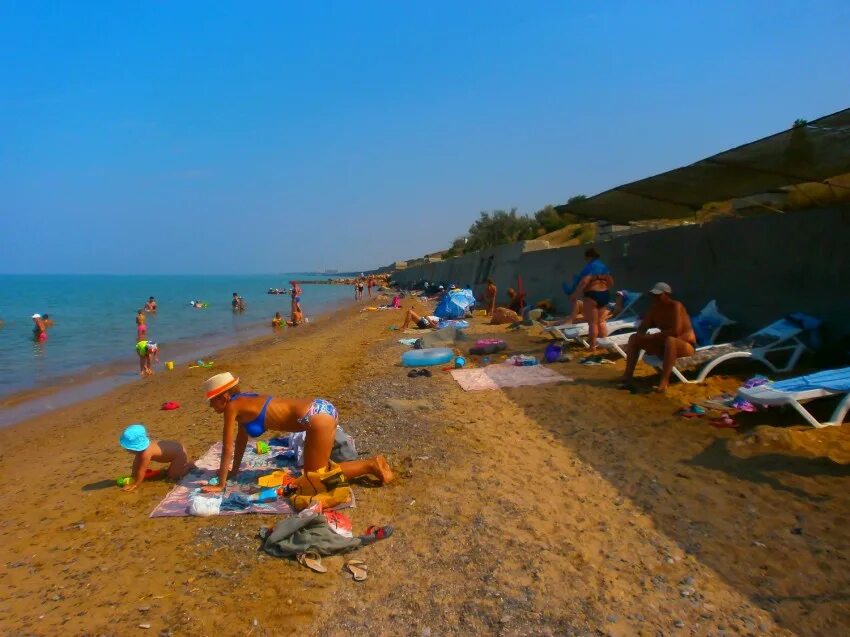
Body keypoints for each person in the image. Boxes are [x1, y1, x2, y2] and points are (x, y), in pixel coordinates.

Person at [200, 372, 394, 494]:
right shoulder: (245, 401)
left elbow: (227, 448)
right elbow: (239, 442)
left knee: (312, 482)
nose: (210, 406)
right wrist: (234, 471)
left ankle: (370, 465)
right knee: (316, 470)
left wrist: (221, 484)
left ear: (224, 397)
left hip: (314, 418)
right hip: (319, 409)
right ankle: (363, 465)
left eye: (212, 401)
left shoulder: (232, 407)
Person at [618, 283, 696, 392]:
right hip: (664, 343)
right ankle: (627, 375)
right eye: (654, 295)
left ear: (667, 294)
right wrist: (642, 336)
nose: (656, 298)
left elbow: (676, 332)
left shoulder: (675, 306)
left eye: (659, 295)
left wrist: (652, 337)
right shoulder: (654, 308)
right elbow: (643, 327)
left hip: (685, 343)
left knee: (671, 341)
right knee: (633, 338)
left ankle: (664, 381)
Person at [119, 424, 194, 492]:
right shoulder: (141, 451)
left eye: (127, 448)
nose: (126, 450)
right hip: (175, 448)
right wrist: (133, 476)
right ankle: (175, 467)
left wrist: (135, 484)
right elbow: (136, 464)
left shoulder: (145, 454)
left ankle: (189, 465)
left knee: (172, 476)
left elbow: (142, 470)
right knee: (167, 473)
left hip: (179, 454)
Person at [569, 247, 614, 352]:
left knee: (592, 323)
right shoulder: (603, 267)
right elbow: (611, 282)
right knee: (601, 321)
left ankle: (592, 346)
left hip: (592, 295)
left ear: (588, 257)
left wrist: (575, 294)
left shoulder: (590, 267)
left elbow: (584, 282)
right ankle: (604, 344)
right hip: (604, 294)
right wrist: (603, 287)